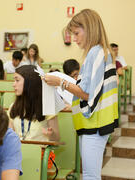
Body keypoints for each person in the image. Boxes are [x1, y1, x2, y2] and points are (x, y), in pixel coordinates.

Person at [44, 9, 118, 180]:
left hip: (96, 122)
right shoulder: (100, 52)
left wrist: (60, 82)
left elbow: (87, 93)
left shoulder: (96, 52)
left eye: (77, 33)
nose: (74, 39)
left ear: (90, 28)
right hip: (96, 121)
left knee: (91, 176)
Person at [9, 65, 60, 142]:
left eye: (17, 80)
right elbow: (9, 135)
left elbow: (56, 138)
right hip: (19, 151)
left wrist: (51, 134)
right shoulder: (13, 106)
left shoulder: (47, 106)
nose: (13, 84)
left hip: (41, 151)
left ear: (29, 82)